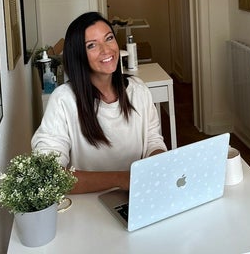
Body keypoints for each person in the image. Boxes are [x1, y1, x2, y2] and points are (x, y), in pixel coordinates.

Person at [31, 12, 167, 194]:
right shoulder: (63, 100)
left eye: (109, 38)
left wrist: (160, 166)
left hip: (137, 195)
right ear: (79, 55)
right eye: (92, 45)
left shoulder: (138, 90)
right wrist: (121, 179)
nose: (106, 50)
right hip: (88, 206)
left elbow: (152, 140)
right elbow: (49, 174)